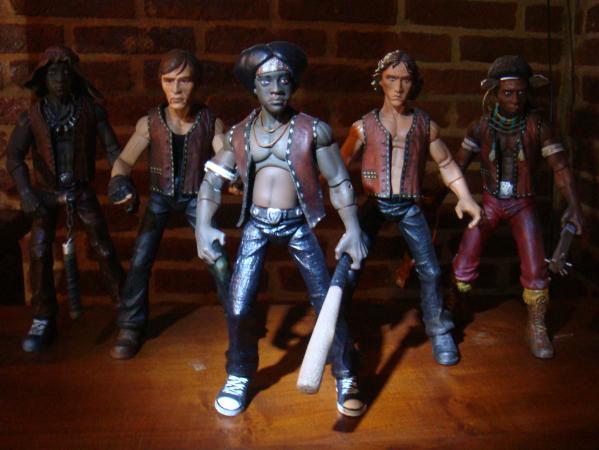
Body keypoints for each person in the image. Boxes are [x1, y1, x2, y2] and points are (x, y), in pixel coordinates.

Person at [196, 42, 367, 417]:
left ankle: (346, 372)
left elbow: (339, 181)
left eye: (284, 80)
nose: (276, 88)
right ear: (253, 87)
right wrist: (203, 226)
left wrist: (352, 228)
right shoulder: (239, 134)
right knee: (238, 304)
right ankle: (239, 372)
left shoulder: (313, 131)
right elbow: (211, 182)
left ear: (294, 84)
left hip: (297, 225)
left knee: (327, 302)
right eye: (267, 80)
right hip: (256, 224)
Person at [341, 50, 481, 366]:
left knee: (430, 269)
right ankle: (339, 327)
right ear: (380, 81)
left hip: (408, 207)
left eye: (405, 80)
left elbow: (446, 163)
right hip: (374, 204)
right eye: (391, 78)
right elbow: (338, 165)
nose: (398, 87)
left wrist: (465, 197)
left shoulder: (424, 126)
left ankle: (439, 329)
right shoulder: (363, 127)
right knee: (350, 265)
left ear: (414, 84)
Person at [452, 55, 584, 359]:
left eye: (521, 93)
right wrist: (457, 196)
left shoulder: (538, 127)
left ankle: (536, 325)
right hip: (489, 202)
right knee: (467, 252)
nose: (515, 99)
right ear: (495, 94)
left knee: (536, 263)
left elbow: (560, 167)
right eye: (508, 93)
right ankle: (455, 309)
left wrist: (574, 205)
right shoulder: (480, 127)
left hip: (523, 204)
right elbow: (456, 165)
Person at [108, 49, 231, 359]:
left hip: (197, 199)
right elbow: (123, 161)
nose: (176, 89)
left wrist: (234, 176)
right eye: (169, 81)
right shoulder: (150, 122)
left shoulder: (210, 122)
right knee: (140, 259)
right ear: (161, 83)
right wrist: (118, 180)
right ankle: (130, 325)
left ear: (196, 83)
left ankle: (237, 319)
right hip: (160, 198)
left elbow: (225, 156)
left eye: (184, 81)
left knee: (218, 260)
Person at [6, 45, 124, 352]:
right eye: (53, 72)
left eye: (65, 72)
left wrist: (121, 179)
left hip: (81, 191)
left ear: (75, 76)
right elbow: (14, 157)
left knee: (104, 248)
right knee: (39, 251)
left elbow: (113, 149)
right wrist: (26, 192)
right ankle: (43, 316)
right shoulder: (31, 118)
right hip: (45, 194)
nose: (59, 78)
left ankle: (126, 309)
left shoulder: (91, 112)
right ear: (42, 78)